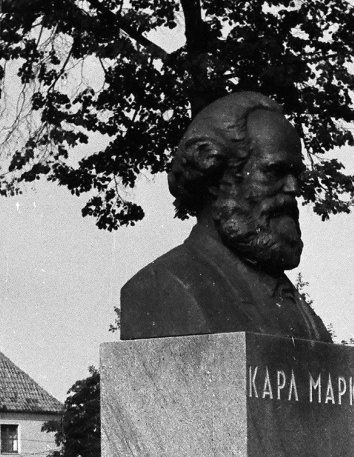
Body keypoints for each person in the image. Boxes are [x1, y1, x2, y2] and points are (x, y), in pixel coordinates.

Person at [120, 92, 331, 343]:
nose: (293, 188)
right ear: (215, 178)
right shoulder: (159, 288)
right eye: (275, 171)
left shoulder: (290, 299)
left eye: (296, 174)